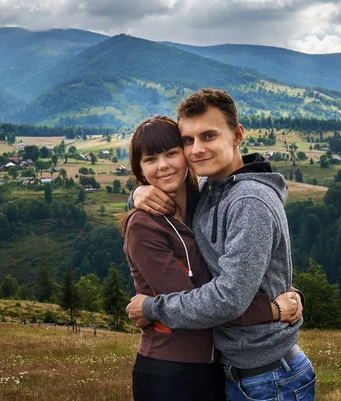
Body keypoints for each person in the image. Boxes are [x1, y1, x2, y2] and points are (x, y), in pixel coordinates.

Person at [126, 89, 316, 401]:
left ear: (237, 134)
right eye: (188, 140)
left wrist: (151, 307)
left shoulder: (249, 201)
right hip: (236, 373)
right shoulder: (209, 189)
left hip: (268, 378)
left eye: (209, 136)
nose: (197, 149)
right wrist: (137, 194)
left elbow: (228, 299)